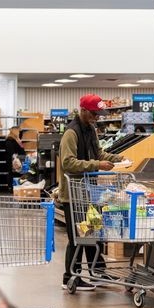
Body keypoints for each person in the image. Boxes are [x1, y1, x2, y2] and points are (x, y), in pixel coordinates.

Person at [58, 94, 126, 291]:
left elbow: (98, 154)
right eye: (94, 113)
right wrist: (97, 165)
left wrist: (117, 158)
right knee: (77, 238)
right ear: (84, 110)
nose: (97, 117)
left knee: (91, 233)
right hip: (73, 195)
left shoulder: (91, 130)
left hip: (89, 193)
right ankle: (70, 277)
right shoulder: (71, 133)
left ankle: (98, 272)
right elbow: (67, 162)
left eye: (99, 113)